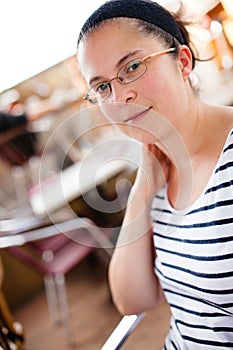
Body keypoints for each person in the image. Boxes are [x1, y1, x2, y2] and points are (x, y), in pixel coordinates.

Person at [77, 0, 233, 348]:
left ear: (182, 61)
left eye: (132, 66)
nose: (120, 98)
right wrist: (143, 187)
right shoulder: (159, 173)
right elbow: (132, 300)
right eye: (102, 87)